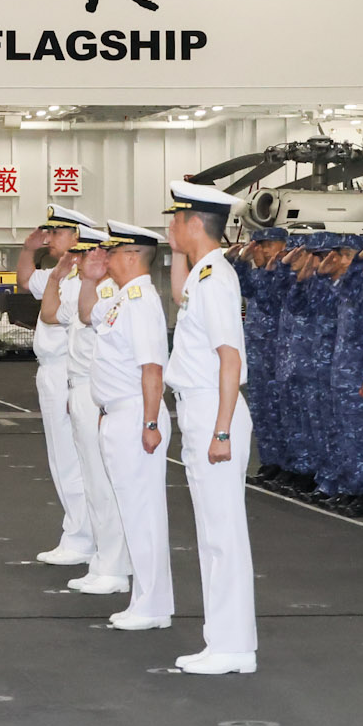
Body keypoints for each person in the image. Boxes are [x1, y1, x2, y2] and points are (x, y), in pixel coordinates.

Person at [164, 181, 256, 674]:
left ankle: (234, 646)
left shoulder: (217, 279)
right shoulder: (203, 274)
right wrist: (177, 251)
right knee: (213, 533)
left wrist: (221, 431)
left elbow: (230, 358)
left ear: (195, 223)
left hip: (213, 411)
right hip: (201, 409)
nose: (169, 228)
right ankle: (223, 640)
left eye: (176, 221)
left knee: (223, 534)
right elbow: (180, 294)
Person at [91, 220, 172, 631]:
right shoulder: (123, 299)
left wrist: (151, 422)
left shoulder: (140, 301)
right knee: (132, 512)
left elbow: (152, 368)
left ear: (130, 256)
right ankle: (144, 599)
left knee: (144, 515)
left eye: (110, 251)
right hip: (118, 414)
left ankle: (153, 604)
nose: (103, 258)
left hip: (137, 415)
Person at [21, 209, 95, 566]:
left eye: (55, 232)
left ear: (76, 234)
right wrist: (27, 249)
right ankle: (78, 533)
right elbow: (24, 281)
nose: (48, 238)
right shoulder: (61, 273)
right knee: (63, 457)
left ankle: (82, 538)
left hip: (67, 370)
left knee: (72, 459)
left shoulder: (81, 277)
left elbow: (55, 317)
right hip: (52, 370)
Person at [63, 225, 133, 599]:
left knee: (105, 485)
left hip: (97, 393)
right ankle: (105, 560)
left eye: (95, 253)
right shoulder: (92, 288)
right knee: (93, 481)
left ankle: (114, 565)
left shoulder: (111, 293)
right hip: (82, 389)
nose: (89, 259)